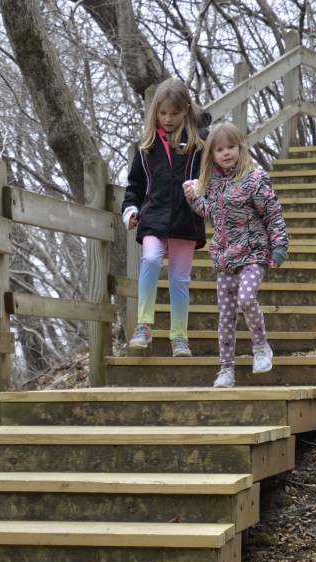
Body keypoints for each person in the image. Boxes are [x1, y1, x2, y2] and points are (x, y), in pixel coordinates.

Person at [183, 120, 288, 387]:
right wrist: (194, 198)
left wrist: (279, 247)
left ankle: (261, 347)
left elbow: (272, 213)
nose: (226, 152)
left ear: (240, 148)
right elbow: (213, 214)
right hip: (225, 257)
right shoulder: (213, 184)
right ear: (212, 155)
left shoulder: (255, 179)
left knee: (246, 299)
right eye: (220, 149)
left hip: (253, 252)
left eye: (231, 146)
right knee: (226, 315)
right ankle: (226, 370)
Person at [122, 78, 209, 358]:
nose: (168, 119)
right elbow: (134, 186)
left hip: (186, 219)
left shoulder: (199, 142)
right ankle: (143, 325)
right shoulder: (145, 146)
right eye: (162, 113)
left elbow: (212, 180)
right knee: (149, 259)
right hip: (153, 218)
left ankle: (179, 338)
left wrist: (199, 190)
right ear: (155, 112)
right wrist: (131, 210)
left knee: (179, 280)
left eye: (174, 113)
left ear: (185, 110)